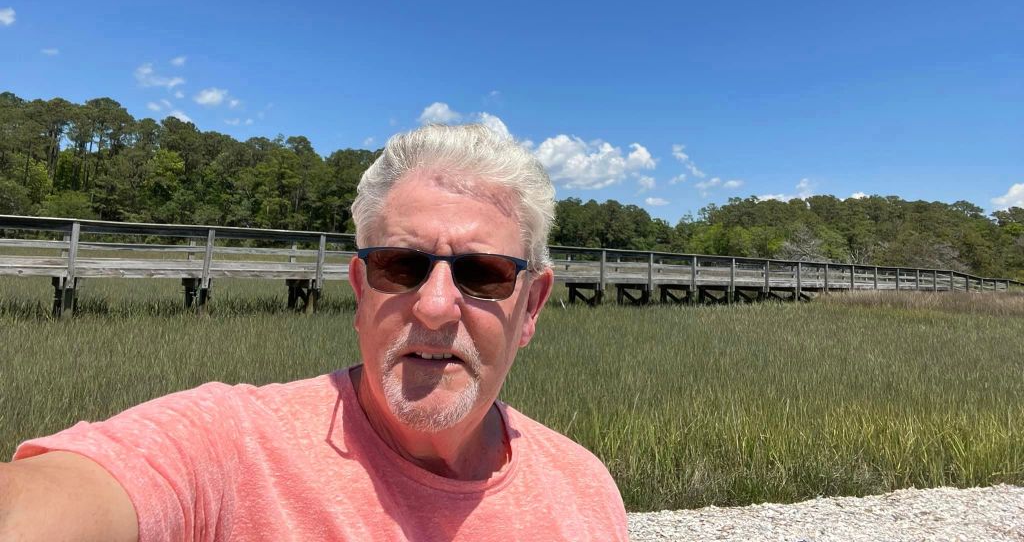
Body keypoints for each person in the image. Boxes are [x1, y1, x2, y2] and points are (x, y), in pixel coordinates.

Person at [0, 124, 629, 541]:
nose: (436, 306)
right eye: (399, 265)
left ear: (532, 305)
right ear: (360, 290)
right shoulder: (232, 447)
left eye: (484, 273)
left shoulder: (584, 491)